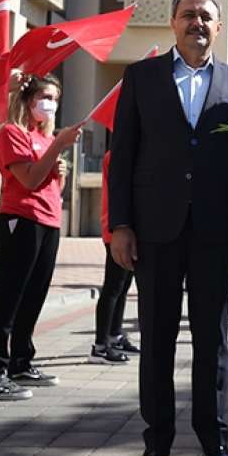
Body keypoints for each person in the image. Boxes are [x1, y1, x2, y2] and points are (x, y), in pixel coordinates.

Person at [109, 0, 228, 456]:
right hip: (155, 230)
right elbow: (124, 156)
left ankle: (213, 442)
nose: (197, 23)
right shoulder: (141, 77)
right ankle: (157, 446)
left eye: (207, 17)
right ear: (172, 23)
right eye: (188, 15)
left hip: (217, 233)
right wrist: (121, 225)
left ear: (218, 28)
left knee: (211, 340)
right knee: (156, 338)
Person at [0, 74, 80, 400]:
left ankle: (21, 362)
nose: (50, 104)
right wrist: (58, 148)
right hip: (21, 220)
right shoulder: (12, 133)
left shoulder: (45, 139)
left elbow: (49, 187)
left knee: (34, 295)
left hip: (48, 222)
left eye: (55, 99)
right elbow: (30, 180)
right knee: (9, 296)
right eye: (45, 97)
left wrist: (58, 166)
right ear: (28, 99)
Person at [90, 144, 138, 365]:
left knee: (123, 286)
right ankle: (100, 345)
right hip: (116, 229)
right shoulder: (116, 154)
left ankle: (115, 335)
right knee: (113, 286)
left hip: (130, 229)